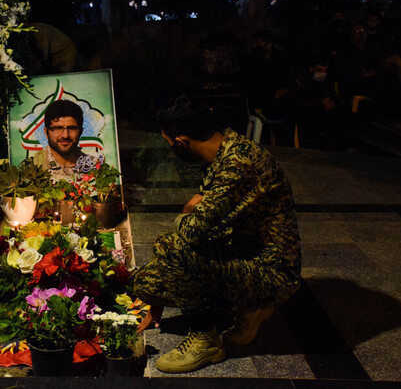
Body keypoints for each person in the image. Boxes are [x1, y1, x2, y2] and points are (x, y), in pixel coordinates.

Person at [134, 97, 301, 374]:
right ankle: (246, 304)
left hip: (271, 274)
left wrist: (186, 212)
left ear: (181, 142)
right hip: (240, 254)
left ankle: (206, 338)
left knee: (170, 247)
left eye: (168, 143)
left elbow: (193, 230)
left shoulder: (238, 164)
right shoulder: (221, 151)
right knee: (146, 283)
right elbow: (208, 230)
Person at [33, 99, 101, 182]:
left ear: (81, 132)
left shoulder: (94, 168)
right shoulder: (31, 168)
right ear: (46, 132)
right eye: (58, 128)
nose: (65, 135)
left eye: (72, 128)